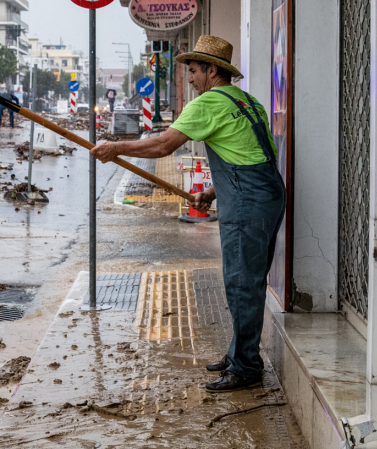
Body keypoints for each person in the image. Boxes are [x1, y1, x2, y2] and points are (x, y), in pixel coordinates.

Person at [89, 35, 285, 392]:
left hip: (246, 203)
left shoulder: (208, 102)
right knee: (250, 280)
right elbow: (254, 154)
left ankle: (246, 367)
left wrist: (116, 146)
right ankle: (239, 352)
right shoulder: (248, 101)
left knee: (242, 283)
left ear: (212, 70)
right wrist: (211, 192)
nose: (191, 79)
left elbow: (164, 145)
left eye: (194, 71)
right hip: (270, 195)